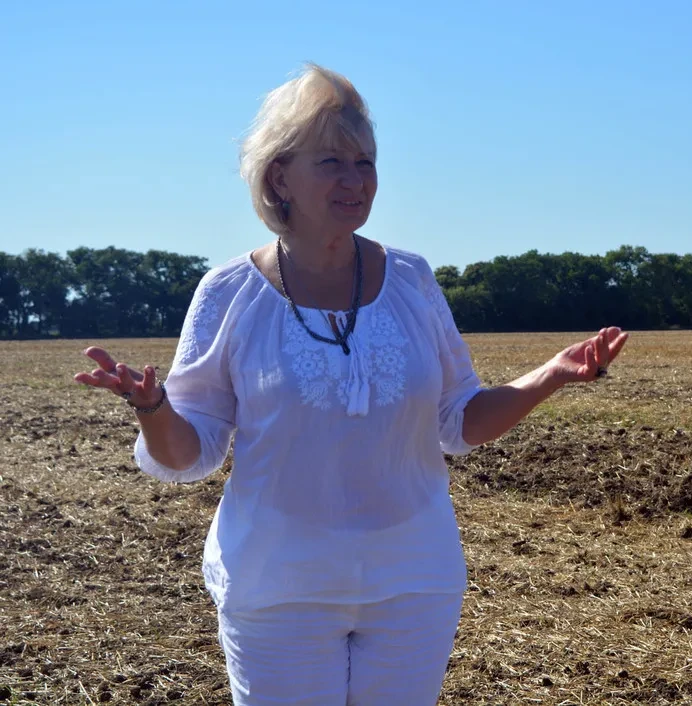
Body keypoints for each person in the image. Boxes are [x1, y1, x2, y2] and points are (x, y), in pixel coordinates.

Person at [74, 63, 628, 706]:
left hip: (414, 581)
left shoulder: (413, 280)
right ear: (279, 176)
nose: (355, 179)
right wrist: (153, 409)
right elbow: (188, 454)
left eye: (365, 162)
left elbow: (459, 420)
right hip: (278, 586)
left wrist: (551, 375)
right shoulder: (229, 293)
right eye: (331, 162)